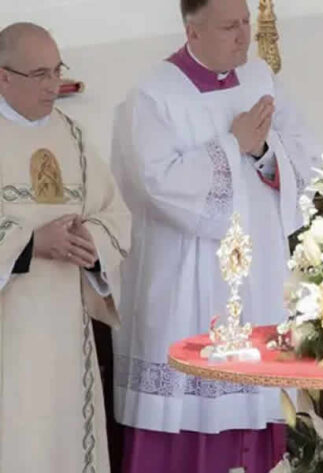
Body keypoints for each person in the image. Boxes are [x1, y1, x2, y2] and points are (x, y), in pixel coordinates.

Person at [110, 0, 319, 471]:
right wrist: (233, 145)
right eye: (229, 26)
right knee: (190, 402)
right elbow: (155, 184)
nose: (244, 35)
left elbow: (306, 154)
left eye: (246, 22)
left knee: (260, 391)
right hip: (189, 279)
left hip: (258, 274)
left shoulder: (261, 79)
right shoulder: (153, 96)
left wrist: (263, 152)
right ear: (192, 32)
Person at [0, 22, 131, 473]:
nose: (53, 84)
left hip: (67, 335)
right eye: (40, 74)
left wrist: (90, 240)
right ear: (3, 77)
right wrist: (32, 244)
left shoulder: (73, 138)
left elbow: (116, 214)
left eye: (57, 70)